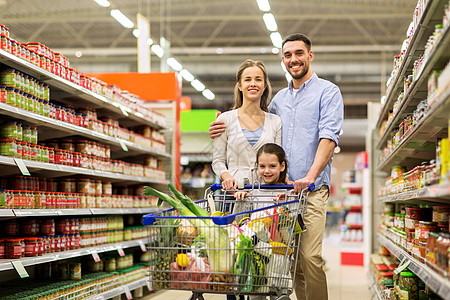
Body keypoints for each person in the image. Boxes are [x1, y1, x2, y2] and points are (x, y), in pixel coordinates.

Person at [209, 33, 344, 300]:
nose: (294, 59)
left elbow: (329, 139)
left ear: (310, 55)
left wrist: (309, 177)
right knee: (289, 262)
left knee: (311, 257)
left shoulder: (328, 92)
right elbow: (257, 129)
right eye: (288, 55)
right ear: (283, 60)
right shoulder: (279, 101)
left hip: (310, 190)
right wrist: (219, 124)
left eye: (299, 53)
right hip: (276, 195)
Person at [211, 59, 282, 300]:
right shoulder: (225, 119)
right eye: (248, 79)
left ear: (265, 86)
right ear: (239, 86)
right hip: (233, 196)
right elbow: (218, 161)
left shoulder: (275, 121)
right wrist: (227, 176)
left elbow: (278, 159)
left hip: (265, 197)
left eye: (258, 79)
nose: (253, 83)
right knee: (232, 259)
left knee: (261, 256)